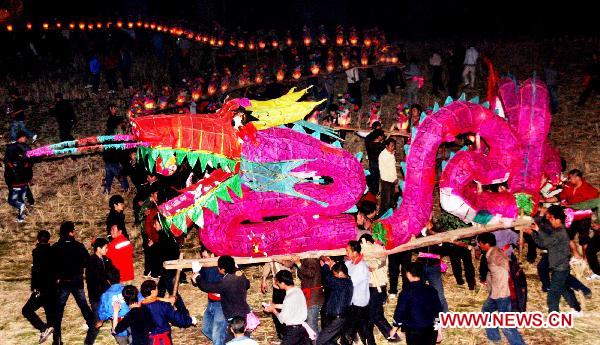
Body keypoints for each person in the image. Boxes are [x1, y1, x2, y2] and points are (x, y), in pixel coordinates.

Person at [523, 206, 582, 313]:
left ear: (556, 219)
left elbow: (545, 242)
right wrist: (534, 232)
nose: (549, 221)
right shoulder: (557, 230)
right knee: (563, 288)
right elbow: (541, 243)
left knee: (553, 294)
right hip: (557, 265)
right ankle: (577, 309)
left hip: (560, 266)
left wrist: (535, 231)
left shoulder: (560, 232)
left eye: (551, 219)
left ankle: (554, 314)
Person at [52, 221, 98, 345]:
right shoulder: (79, 246)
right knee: (83, 305)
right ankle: (93, 326)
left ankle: (57, 339)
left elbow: (51, 265)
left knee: (58, 311)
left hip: (62, 282)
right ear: (71, 232)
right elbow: (87, 262)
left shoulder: (55, 247)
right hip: (77, 281)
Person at [476, 233, 525, 345]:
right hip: (495, 292)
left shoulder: (495, 255)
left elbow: (509, 266)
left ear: (486, 244)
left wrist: (513, 275)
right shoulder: (494, 251)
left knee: (506, 324)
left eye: (480, 243)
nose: (479, 245)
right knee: (486, 310)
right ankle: (494, 338)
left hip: (503, 293)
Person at [194, 256, 253, 340]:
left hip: (232, 315)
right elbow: (247, 284)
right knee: (243, 333)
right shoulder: (240, 275)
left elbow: (207, 287)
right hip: (244, 311)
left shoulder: (225, 282)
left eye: (219, 267)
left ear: (223, 269)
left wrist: (197, 277)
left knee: (232, 337)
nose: (218, 268)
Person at [545, 169, 599, 259]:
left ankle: (587, 260)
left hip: (583, 217)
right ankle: (576, 254)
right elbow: (560, 196)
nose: (569, 180)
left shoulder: (589, 189)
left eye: (570, 178)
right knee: (567, 236)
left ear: (577, 178)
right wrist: (546, 199)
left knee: (584, 240)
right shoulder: (568, 186)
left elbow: (593, 203)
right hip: (571, 216)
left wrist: (572, 205)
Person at [390, 263, 442, 345]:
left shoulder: (406, 292)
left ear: (409, 274)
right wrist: (439, 330)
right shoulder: (431, 290)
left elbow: (400, 312)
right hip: (430, 329)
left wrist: (394, 329)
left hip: (413, 330)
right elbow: (438, 311)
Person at [359, 235, 398, 342]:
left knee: (375, 314)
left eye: (362, 244)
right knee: (375, 313)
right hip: (370, 285)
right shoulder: (364, 251)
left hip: (378, 285)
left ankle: (392, 335)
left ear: (367, 242)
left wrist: (366, 262)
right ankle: (386, 336)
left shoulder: (379, 249)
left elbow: (377, 264)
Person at [22, 230, 55, 344]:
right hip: (53, 289)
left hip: (41, 289)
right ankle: (53, 336)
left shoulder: (37, 252)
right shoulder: (53, 252)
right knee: (50, 315)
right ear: (48, 239)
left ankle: (42, 328)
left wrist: (35, 288)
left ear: (37, 239)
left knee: (26, 310)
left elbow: (36, 272)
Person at [264, 270, 314, 345]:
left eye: (278, 282)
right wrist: (275, 305)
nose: (276, 284)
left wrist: (273, 310)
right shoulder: (298, 291)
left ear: (283, 283)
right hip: (302, 330)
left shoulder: (289, 297)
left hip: (292, 332)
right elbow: (290, 306)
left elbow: (282, 319)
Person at [343, 241, 375, 345]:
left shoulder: (361, 267)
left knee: (356, 329)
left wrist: (341, 277)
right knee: (363, 328)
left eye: (348, 251)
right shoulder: (351, 263)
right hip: (353, 302)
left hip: (359, 303)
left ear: (355, 252)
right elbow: (343, 269)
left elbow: (350, 283)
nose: (346, 252)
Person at [316, 260, 353, 345]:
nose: (334, 276)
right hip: (337, 317)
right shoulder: (346, 282)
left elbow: (328, 279)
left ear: (340, 273)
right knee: (329, 341)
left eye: (334, 274)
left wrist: (326, 265)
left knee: (320, 340)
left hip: (338, 318)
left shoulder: (343, 283)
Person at [415, 220, 449, 313]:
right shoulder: (419, 233)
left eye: (429, 222)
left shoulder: (439, 233)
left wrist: (440, 243)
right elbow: (415, 249)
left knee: (438, 293)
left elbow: (446, 250)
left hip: (434, 267)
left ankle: (445, 317)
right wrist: (422, 235)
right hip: (421, 265)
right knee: (418, 291)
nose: (426, 223)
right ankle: (419, 315)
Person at [197, 247, 227, 345]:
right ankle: (226, 341)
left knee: (217, 336)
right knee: (206, 329)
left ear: (213, 255)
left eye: (205, 256)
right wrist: (196, 277)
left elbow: (210, 285)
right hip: (211, 302)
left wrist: (198, 279)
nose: (204, 259)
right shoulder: (205, 267)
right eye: (202, 257)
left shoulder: (222, 267)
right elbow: (201, 281)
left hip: (221, 304)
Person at [86, 237, 118, 327]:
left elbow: (112, 271)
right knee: (98, 320)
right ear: (99, 249)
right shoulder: (91, 261)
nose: (107, 250)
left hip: (105, 290)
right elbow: (95, 278)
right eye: (105, 247)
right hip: (96, 292)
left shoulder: (106, 259)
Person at [4, 131, 34, 222]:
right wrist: (13, 168)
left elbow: (31, 160)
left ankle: (27, 203)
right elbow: (7, 160)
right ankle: (25, 204)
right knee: (18, 188)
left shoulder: (27, 147)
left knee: (21, 188)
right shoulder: (12, 147)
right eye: (24, 137)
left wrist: (27, 165)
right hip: (13, 173)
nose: (26, 139)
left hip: (22, 174)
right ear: (20, 138)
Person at [292, 256, 325, 338]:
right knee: (312, 325)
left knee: (311, 326)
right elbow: (303, 276)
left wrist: (298, 264)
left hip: (313, 298)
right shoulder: (306, 259)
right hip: (311, 297)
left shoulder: (311, 259)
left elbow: (310, 273)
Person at [261, 259, 293, 341]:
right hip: (277, 287)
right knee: (276, 312)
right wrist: (264, 281)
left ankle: (288, 333)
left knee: (287, 310)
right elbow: (267, 265)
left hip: (286, 286)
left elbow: (290, 264)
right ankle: (281, 333)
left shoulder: (284, 250)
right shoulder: (268, 251)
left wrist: (278, 260)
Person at [97, 273, 129, 345]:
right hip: (132, 323)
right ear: (120, 278)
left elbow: (102, 312)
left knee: (122, 341)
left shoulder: (105, 295)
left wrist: (101, 320)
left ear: (108, 281)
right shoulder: (128, 289)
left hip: (118, 326)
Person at [378, 138, 398, 217]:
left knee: (390, 201)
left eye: (394, 146)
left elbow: (393, 168)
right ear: (386, 146)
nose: (393, 147)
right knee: (386, 201)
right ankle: (382, 216)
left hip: (391, 180)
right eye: (392, 146)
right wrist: (394, 178)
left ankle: (388, 216)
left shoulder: (389, 154)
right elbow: (388, 169)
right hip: (387, 180)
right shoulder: (384, 155)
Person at [365, 129, 386, 194]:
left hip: (371, 163)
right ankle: (374, 195)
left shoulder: (369, 144)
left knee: (372, 179)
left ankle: (370, 194)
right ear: (379, 137)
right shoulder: (380, 146)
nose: (383, 138)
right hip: (377, 164)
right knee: (376, 181)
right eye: (382, 136)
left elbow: (367, 137)